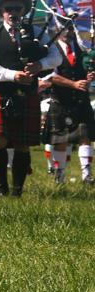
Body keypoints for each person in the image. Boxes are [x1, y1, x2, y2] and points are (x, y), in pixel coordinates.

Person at [0, 0, 62, 197]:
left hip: (27, 94)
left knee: (23, 144)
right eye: (8, 9)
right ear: (2, 11)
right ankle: (1, 187)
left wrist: (39, 65)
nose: (12, 12)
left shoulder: (35, 32)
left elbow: (56, 58)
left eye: (16, 8)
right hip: (1, 92)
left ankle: (17, 190)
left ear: (23, 9)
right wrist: (12, 75)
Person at [44, 24, 95, 184]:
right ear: (57, 31)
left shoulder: (81, 48)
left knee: (85, 136)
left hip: (80, 100)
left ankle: (87, 176)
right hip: (61, 100)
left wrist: (89, 76)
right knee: (61, 140)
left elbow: (84, 69)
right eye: (64, 29)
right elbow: (50, 76)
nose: (68, 32)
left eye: (71, 29)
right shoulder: (51, 50)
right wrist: (73, 84)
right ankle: (60, 177)